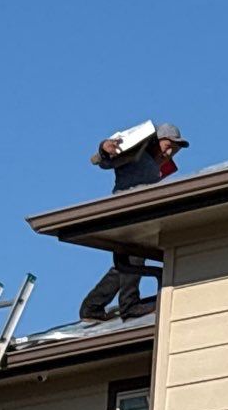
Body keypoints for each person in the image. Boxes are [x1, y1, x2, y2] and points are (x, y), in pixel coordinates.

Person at [78, 123, 188, 323]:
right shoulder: (138, 152)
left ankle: (92, 306)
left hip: (137, 213)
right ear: (157, 141)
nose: (170, 153)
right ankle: (129, 306)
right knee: (135, 256)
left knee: (126, 262)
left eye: (175, 150)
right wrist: (104, 148)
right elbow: (105, 160)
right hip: (125, 211)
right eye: (167, 146)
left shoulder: (157, 164)